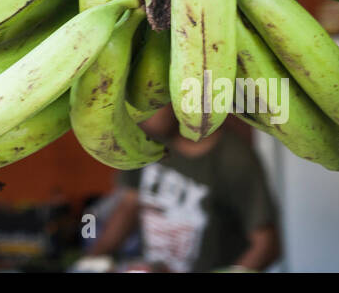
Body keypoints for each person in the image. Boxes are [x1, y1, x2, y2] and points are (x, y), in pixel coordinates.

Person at [87, 106, 282, 272]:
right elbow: (129, 205)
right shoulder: (145, 143)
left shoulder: (234, 159)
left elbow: (266, 245)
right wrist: (92, 260)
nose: (141, 113)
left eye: (154, 100)